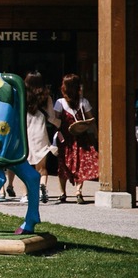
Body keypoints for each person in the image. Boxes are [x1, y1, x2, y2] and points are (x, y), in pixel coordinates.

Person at [54, 73, 98, 204]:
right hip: (81, 138)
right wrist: (96, 134)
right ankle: (78, 191)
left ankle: (63, 193)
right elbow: (91, 119)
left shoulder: (59, 102)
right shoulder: (84, 102)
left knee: (63, 165)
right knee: (81, 164)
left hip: (65, 139)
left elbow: (56, 120)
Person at [21, 70, 60, 204]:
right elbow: (51, 117)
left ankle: (26, 194)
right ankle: (42, 187)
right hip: (40, 133)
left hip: (25, 133)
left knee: (25, 167)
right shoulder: (46, 97)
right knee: (41, 168)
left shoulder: (21, 95)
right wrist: (61, 124)